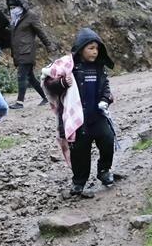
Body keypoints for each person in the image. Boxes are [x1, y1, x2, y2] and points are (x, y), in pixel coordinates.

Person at [44, 28, 117, 197]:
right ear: (81, 48)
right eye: (90, 48)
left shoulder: (99, 68)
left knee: (108, 140)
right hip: (78, 120)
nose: (95, 52)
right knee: (79, 152)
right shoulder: (70, 67)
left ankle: (104, 171)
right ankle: (79, 181)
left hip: (97, 116)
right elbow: (49, 83)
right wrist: (62, 82)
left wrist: (105, 100)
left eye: (97, 48)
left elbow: (106, 88)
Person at [6, 0, 53, 109]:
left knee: (22, 75)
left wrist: (48, 45)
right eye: (10, 7)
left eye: (14, 7)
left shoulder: (31, 16)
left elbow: (40, 32)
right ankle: (46, 97)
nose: (12, 9)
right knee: (30, 77)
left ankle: (19, 102)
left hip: (27, 51)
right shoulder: (15, 19)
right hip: (18, 52)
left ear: (22, 5)